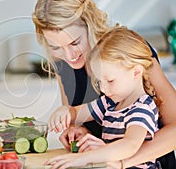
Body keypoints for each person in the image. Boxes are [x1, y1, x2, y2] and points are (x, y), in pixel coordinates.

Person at [32, 0, 176, 168]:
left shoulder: (126, 53)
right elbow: (78, 117)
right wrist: (79, 133)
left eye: (75, 43)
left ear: (89, 24)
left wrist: (121, 161)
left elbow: (174, 127)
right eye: (55, 47)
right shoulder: (63, 65)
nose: (69, 56)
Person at [46, 27, 160, 168]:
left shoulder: (142, 107)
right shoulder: (109, 103)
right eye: (99, 82)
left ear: (136, 72)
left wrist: (85, 158)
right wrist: (65, 111)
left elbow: (130, 145)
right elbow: (78, 112)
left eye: (110, 81)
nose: (104, 89)